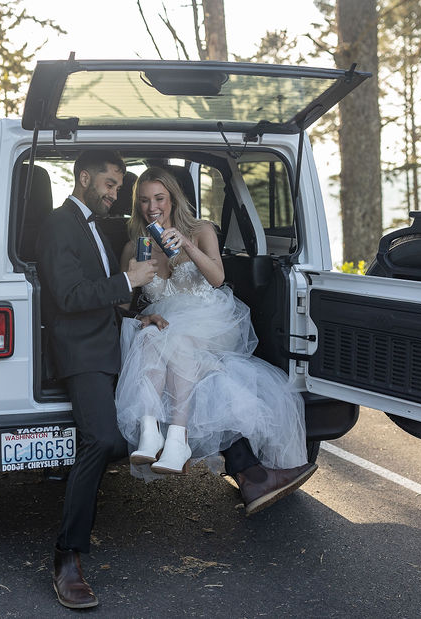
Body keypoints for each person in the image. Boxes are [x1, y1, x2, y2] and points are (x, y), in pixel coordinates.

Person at [115, 166, 316, 508]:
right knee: (148, 335)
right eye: (145, 200)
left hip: (211, 321)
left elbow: (218, 279)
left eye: (159, 198)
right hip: (168, 327)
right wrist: (141, 313)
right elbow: (121, 304)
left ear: (173, 199)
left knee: (171, 338)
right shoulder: (135, 246)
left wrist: (187, 246)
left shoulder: (201, 230)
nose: (153, 207)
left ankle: (176, 438)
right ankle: (152, 439)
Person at [35, 150, 157, 609]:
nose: (115, 194)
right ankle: (66, 556)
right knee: (101, 440)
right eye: (109, 184)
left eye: (118, 186)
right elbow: (68, 295)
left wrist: (137, 315)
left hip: (110, 342)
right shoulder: (58, 224)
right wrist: (127, 281)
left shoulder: (91, 225)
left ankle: (247, 471)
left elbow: (100, 293)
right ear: (83, 177)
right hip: (81, 352)